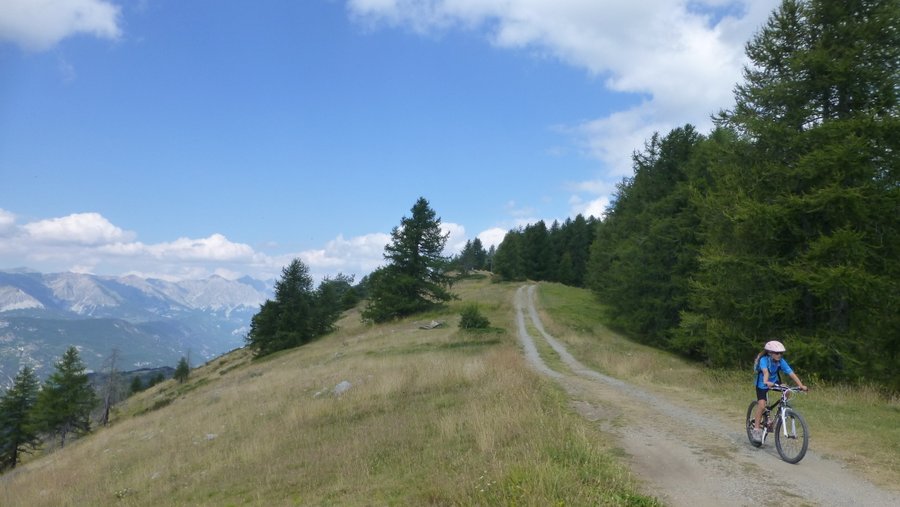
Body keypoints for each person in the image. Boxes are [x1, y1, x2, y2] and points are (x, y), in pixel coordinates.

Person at [751, 340, 808, 443]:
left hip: (774, 381)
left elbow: (791, 373)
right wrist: (766, 381)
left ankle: (781, 410)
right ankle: (756, 429)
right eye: (777, 353)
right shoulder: (764, 359)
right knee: (762, 405)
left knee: (787, 390)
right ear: (770, 352)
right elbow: (765, 372)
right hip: (762, 383)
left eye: (781, 353)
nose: (779, 355)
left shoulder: (781, 361)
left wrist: (801, 386)